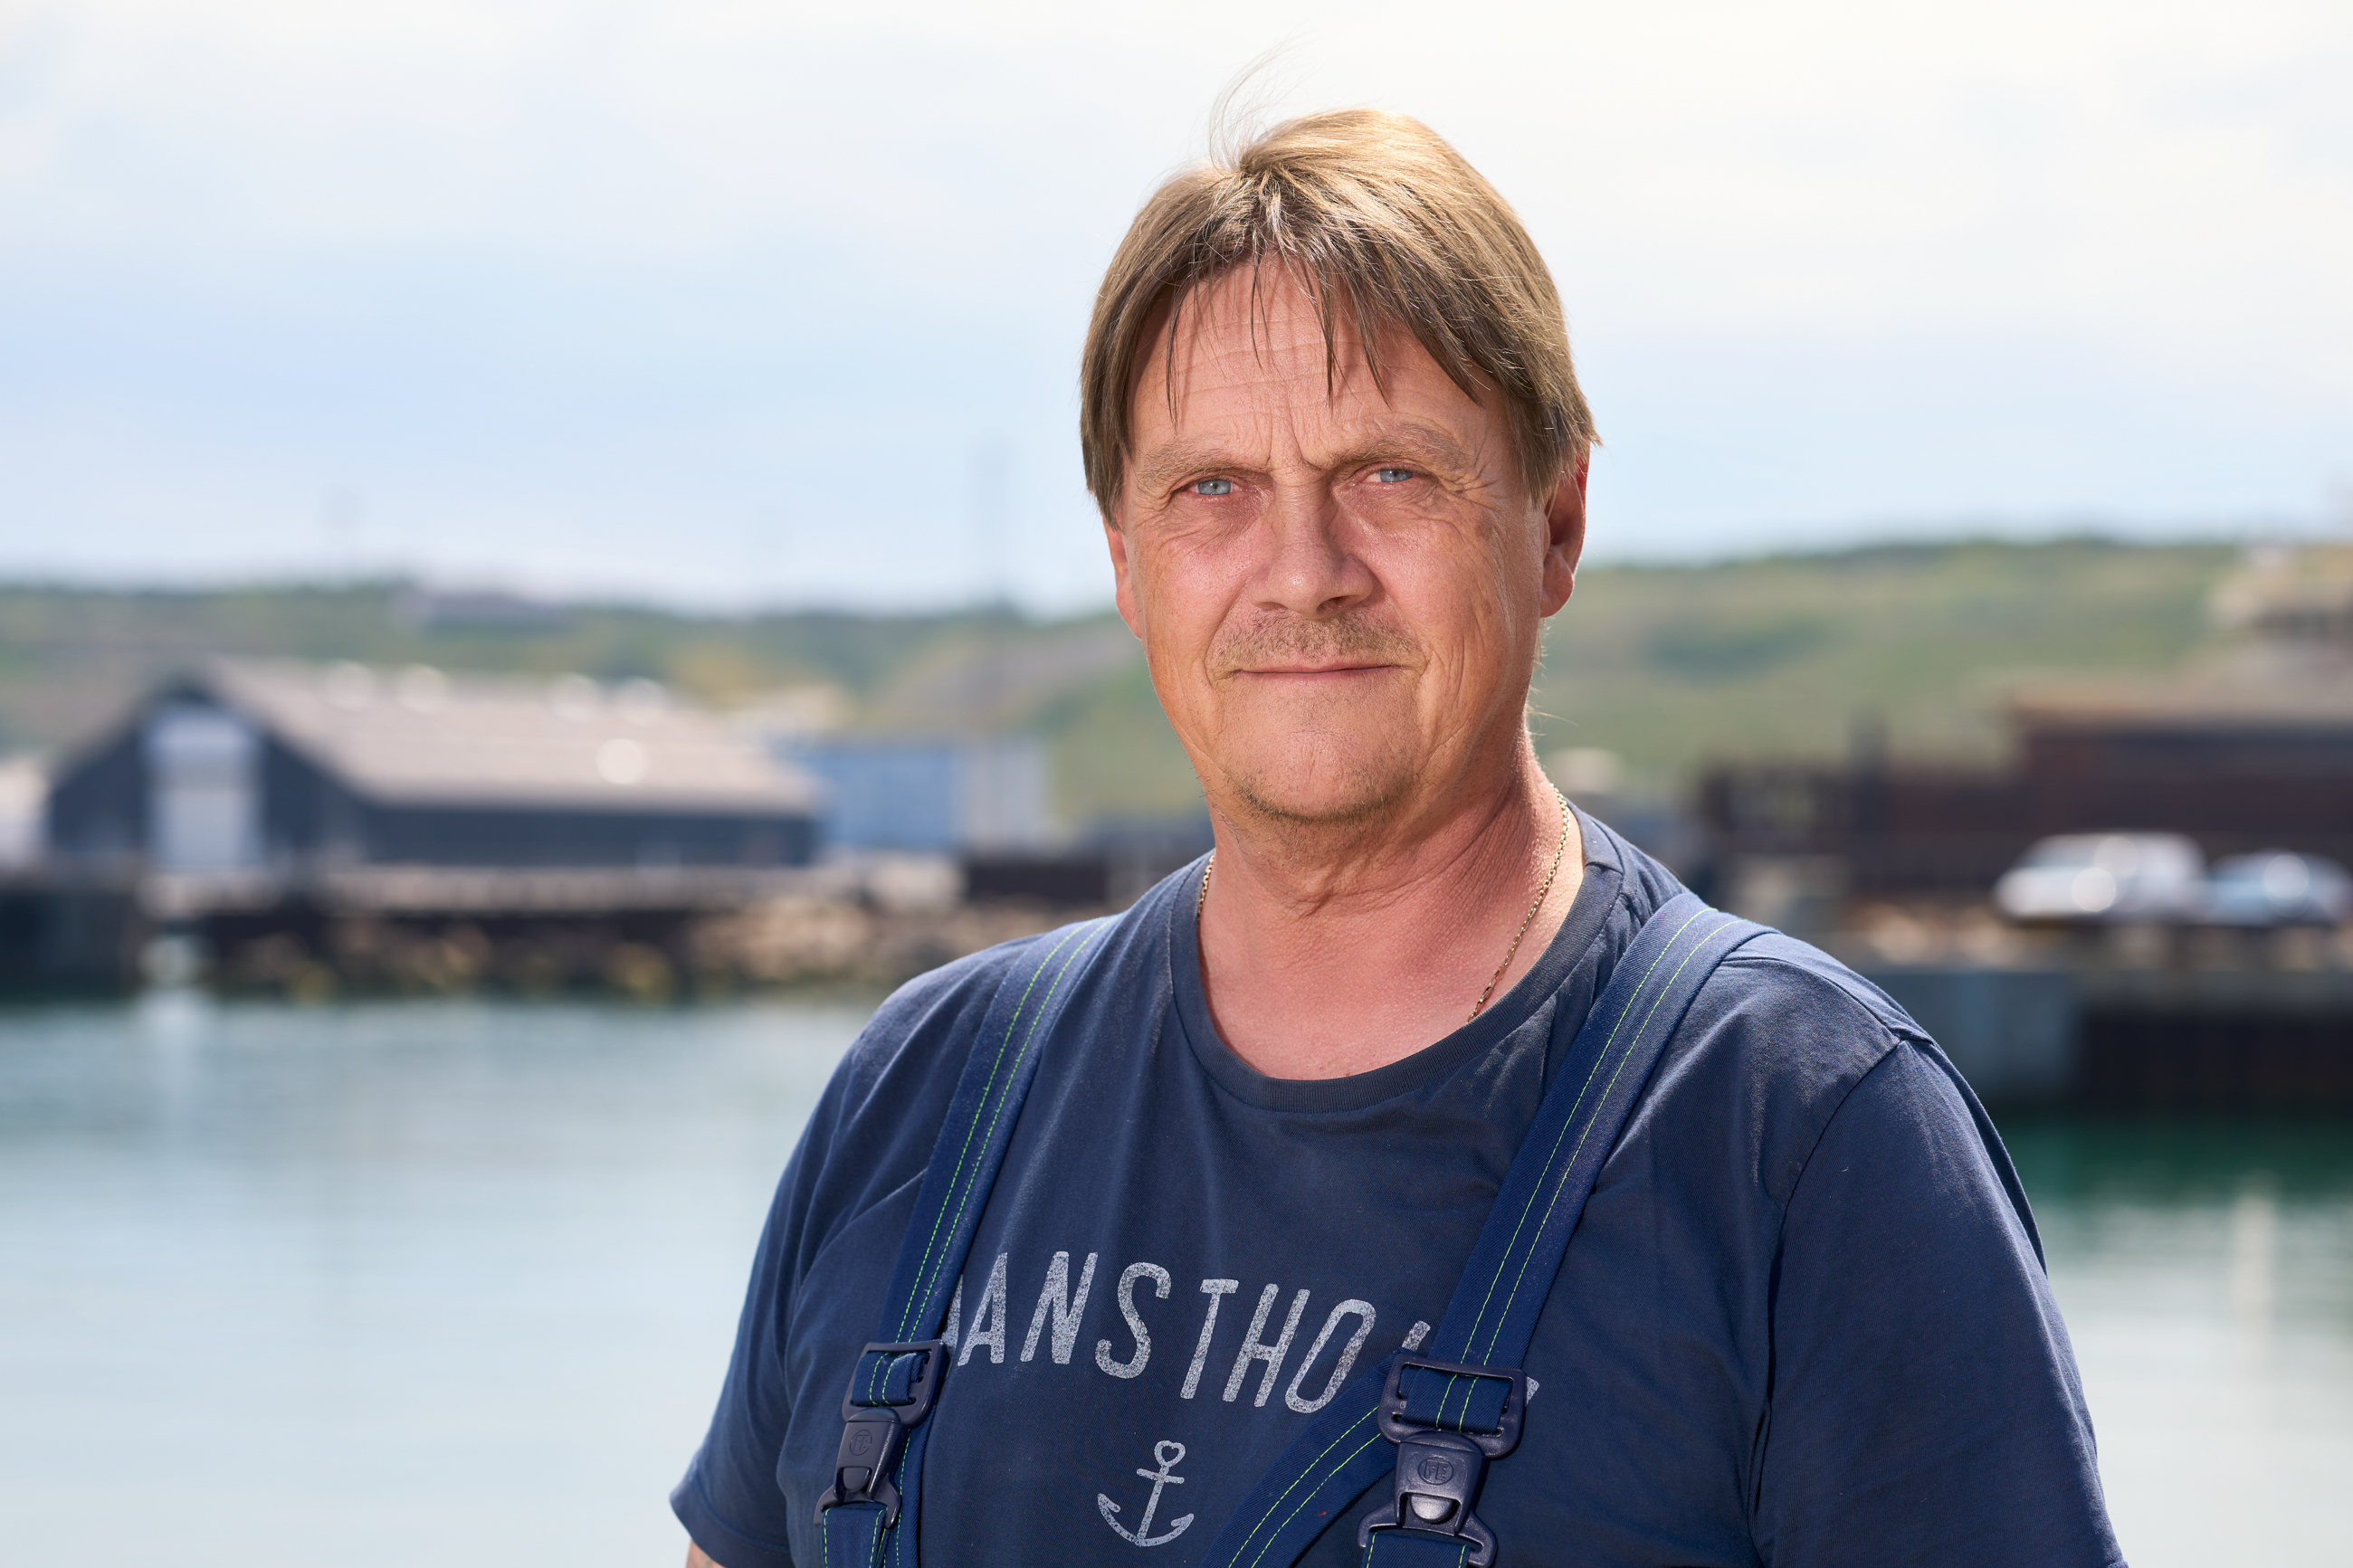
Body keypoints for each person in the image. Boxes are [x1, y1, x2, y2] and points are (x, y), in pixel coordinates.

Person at [672, 109, 2122, 1568]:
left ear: (1556, 523)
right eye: (1212, 489)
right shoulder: (919, 1097)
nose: (1302, 572)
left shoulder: (1803, 1137)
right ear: (1126, 560)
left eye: (1391, 475)